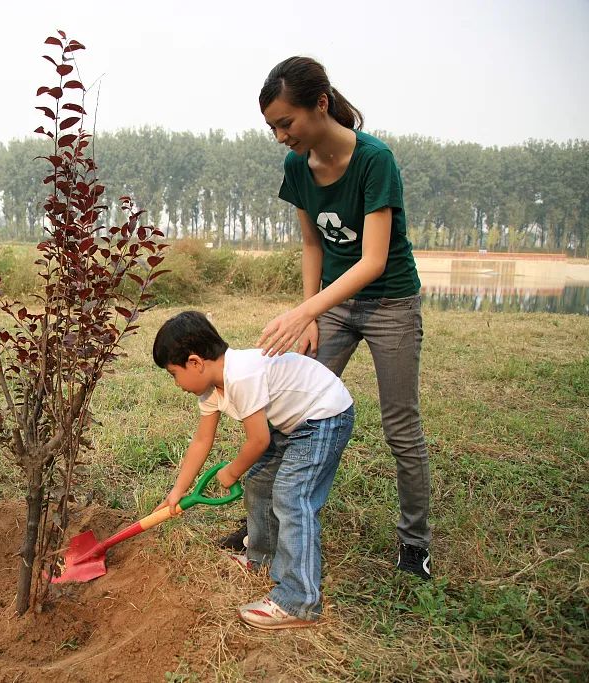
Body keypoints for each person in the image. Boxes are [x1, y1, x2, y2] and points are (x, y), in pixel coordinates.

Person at [219, 55, 432, 579]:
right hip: (332, 306)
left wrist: (304, 310)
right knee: (282, 413)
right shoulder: (297, 167)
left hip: (391, 303)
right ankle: (259, 531)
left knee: (400, 426)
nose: (279, 136)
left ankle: (414, 544)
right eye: (271, 126)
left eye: (285, 123)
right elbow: (312, 243)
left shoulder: (375, 161)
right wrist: (312, 313)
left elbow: (375, 260)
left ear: (320, 104)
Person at [154, 311, 354, 630]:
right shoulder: (211, 389)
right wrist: (177, 491)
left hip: (324, 417)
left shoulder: (241, 375)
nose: (176, 384)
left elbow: (259, 440)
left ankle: (299, 600)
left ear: (195, 362)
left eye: (173, 373)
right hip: (294, 422)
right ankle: (262, 557)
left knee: (291, 498)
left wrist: (232, 471)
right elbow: (202, 440)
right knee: (260, 482)